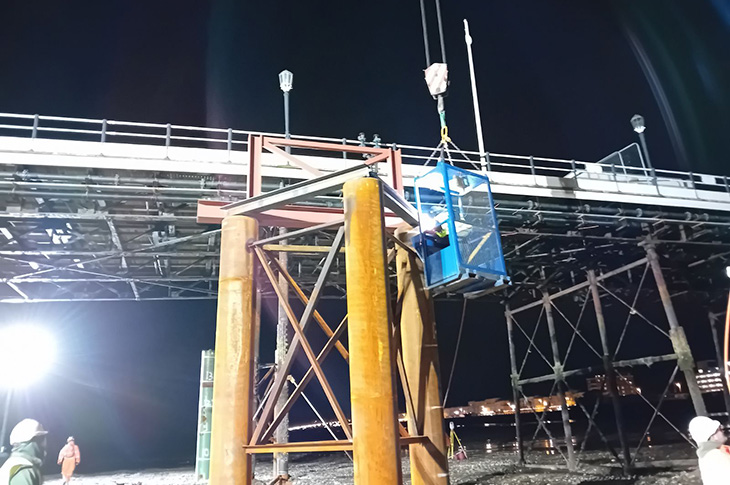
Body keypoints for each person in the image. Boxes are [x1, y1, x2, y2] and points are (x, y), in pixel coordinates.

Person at [0, 418, 48, 485]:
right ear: (31, 442)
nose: (44, 444)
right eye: (41, 439)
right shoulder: (24, 470)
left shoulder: (16, 463)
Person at [689, 416, 730, 485]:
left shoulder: (706, 455)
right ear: (713, 435)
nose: (723, 431)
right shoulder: (717, 456)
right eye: (719, 429)